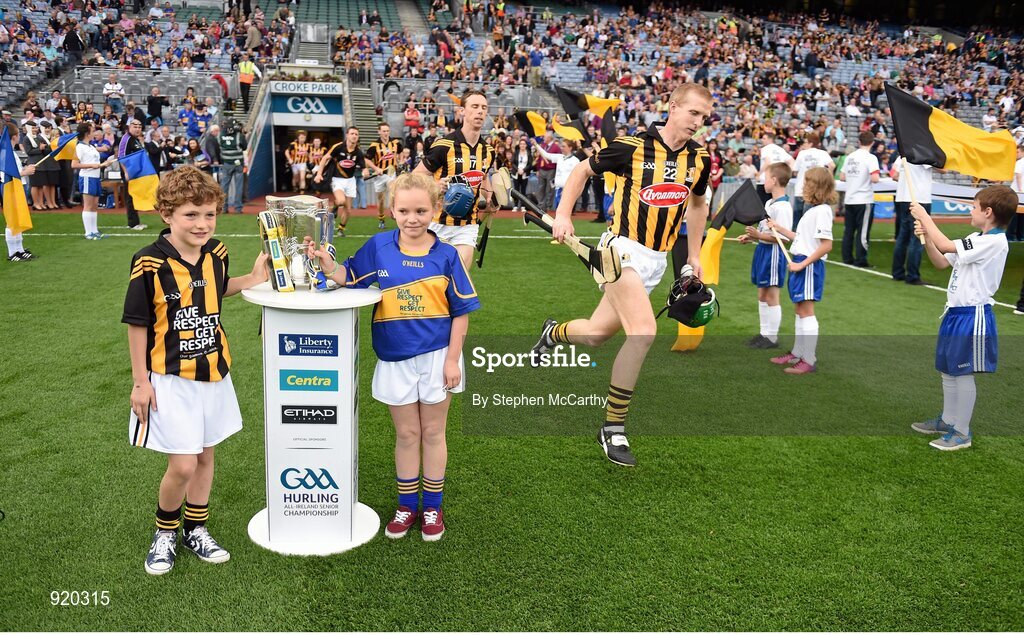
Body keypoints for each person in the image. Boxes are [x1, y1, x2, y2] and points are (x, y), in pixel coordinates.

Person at [532, 83, 713, 467]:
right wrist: (563, 215)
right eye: (693, 113)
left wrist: (694, 254)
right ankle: (612, 427)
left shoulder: (699, 158)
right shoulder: (632, 146)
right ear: (673, 106)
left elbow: (698, 204)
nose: (698, 122)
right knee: (643, 332)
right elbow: (582, 169)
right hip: (621, 251)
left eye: (704, 117)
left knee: (596, 334)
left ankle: (552, 332)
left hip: (656, 261)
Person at [306, 173, 479, 541]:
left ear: (436, 209)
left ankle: (432, 507)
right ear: (392, 209)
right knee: (407, 434)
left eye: (421, 211)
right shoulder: (379, 246)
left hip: (438, 358)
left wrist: (452, 360)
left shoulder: (447, 255)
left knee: (433, 433)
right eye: (403, 211)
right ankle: (407, 506)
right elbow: (349, 276)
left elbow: (461, 313)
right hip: (394, 358)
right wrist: (327, 265)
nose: (412, 219)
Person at [122, 166, 269, 575]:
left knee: (205, 457)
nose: (202, 224)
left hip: (214, 373)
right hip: (170, 378)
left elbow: (217, 289)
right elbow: (137, 323)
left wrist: (253, 278)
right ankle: (165, 532)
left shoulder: (216, 252)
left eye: (209, 214)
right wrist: (140, 382)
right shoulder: (149, 262)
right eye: (191, 214)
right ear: (166, 213)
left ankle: (196, 528)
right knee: (183, 464)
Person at [909, 185, 1015, 450]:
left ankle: (962, 432)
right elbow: (941, 261)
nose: (971, 211)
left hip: (972, 315)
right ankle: (948, 420)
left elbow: (946, 244)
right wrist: (928, 238)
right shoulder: (976, 238)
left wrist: (925, 217)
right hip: (955, 313)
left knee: (962, 372)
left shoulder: (993, 241)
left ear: (988, 212)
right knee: (948, 369)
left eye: (974, 207)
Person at [414, 89, 497, 269]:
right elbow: (416, 176)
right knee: (433, 277)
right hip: (437, 223)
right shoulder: (444, 145)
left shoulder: (488, 151)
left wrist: (490, 197)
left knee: (459, 274)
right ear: (462, 111)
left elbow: (483, 178)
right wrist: (435, 185)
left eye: (483, 107)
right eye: (474, 106)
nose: (480, 111)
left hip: (468, 225)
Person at [766, 166, 835, 375]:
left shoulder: (822, 211)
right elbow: (802, 239)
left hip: (808, 266)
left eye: (807, 183)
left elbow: (826, 245)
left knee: (806, 311)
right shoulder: (813, 210)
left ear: (817, 186)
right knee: (799, 310)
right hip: (801, 263)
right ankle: (798, 353)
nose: (803, 186)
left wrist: (802, 264)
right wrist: (780, 228)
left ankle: (809, 359)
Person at [738, 162, 793, 349]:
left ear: (774, 180)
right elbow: (765, 230)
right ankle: (764, 334)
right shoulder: (770, 203)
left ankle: (772, 337)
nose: (763, 181)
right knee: (762, 294)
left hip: (774, 254)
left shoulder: (783, 207)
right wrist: (751, 237)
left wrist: (759, 236)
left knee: (771, 296)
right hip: (763, 250)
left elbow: (783, 239)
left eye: (766, 178)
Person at [315, 127, 378, 238]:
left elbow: (364, 167)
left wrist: (365, 172)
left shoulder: (358, 152)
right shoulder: (338, 147)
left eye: (356, 134)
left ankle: (341, 229)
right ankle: (334, 207)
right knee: (341, 201)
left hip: (350, 180)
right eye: (352, 133)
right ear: (347, 135)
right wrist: (319, 174)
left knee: (348, 209)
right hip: (337, 179)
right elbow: (325, 158)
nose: (354, 136)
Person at [891, 157, 934, 285]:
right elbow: (943, 169)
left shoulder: (903, 154)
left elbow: (894, 175)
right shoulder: (923, 153)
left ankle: (897, 272)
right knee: (917, 238)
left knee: (902, 237)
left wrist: (906, 181)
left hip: (903, 198)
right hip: (919, 198)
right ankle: (912, 275)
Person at [839, 131, 880, 267]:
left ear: (859, 142)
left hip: (850, 198)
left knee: (849, 230)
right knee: (863, 232)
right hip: (864, 198)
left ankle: (847, 257)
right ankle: (861, 259)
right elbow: (875, 178)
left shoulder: (850, 157)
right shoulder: (871, 158)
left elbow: (842, 177)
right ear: (872, 143)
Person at [72, 122, 116, 240]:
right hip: (87, 177)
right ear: (87, 133)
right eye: (92, 131)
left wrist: (104, 164)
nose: (95, 133)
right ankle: (88, 232)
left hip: (95, 177)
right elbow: (74, 164)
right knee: (88, 205)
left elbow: (94, 162)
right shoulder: (79, 147)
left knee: (94, 205)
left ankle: (94, 230)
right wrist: (93, 165)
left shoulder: (91, 146)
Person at [3, 122, 38, 261]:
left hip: (18, 186)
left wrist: (25, 169)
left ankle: (19, 249)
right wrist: (25, 172)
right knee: (12, 219)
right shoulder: (5, 153)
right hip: (11, 188)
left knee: (18, 218)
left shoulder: (10, 152)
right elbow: (6, 174)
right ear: (14, 137)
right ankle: (12, 252)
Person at [791, 133, 835, 226]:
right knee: (810, 219)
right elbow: (832, 166)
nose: (803, 144)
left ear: (810, 143)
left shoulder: (802, 153)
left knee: (797, 219)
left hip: (801, 188)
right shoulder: (823, 153)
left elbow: (795, 171)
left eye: (805, 142)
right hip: (815, 189)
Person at [365, 122, 403, 230]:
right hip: (379, 176)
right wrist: (376, 169)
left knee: (393, 191)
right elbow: (367, 159)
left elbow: (400, 151)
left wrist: (400, 161)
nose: (386, 133)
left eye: (387, 131)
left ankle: (393, 211)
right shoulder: (374, 145)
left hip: (391, 173)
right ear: (379, 132)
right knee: (381, 199)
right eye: (384, 131)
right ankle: (381, 219)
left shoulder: (395, 142)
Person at [119, 119, 148, 231]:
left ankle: (136, 221)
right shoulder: (126, 139)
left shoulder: (135, 139)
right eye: (135, 127)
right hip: (129, 173)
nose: (137, 129)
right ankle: (132, 223)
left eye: (139, 127)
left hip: (136, 172)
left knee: (134, 196)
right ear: (129, 127)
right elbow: (121, 157)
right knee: (130, 197)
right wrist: (126, 172)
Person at [218, 122, 247, 214]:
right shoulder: (239, 135)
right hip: (238, 163)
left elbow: (218, 146)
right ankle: (238, 208)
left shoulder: (220, 135)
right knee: (239, 186)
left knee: (224, 186)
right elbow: (245, 147)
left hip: (226, 163)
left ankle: (223, 208)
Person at [285, 130, 310, 194]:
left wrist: (309, 157)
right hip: (295, 164)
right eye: (301, 137)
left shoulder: (307, 145)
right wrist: (290, 159)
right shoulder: (293, 144)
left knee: (302, 177)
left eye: (304, 138)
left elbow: (310, 154)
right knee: (296, 177)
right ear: (298, 138)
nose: (302, 139)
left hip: (303, 163)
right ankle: (295, 187)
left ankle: (302, 191)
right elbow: (286, 152)